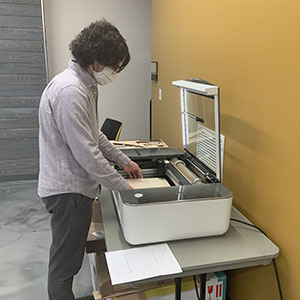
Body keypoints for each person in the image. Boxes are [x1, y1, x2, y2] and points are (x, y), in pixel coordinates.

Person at [38, 19, 143, 300]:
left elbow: (94, 134)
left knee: (66, 259)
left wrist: (125, 161)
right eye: (115, 67)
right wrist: (125, 189)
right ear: (96, 60)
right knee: (64, 267)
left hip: (70, 188)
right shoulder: (71, 91)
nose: (115, 73)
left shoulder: (83, 85)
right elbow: (87, 153)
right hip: (68, 192)